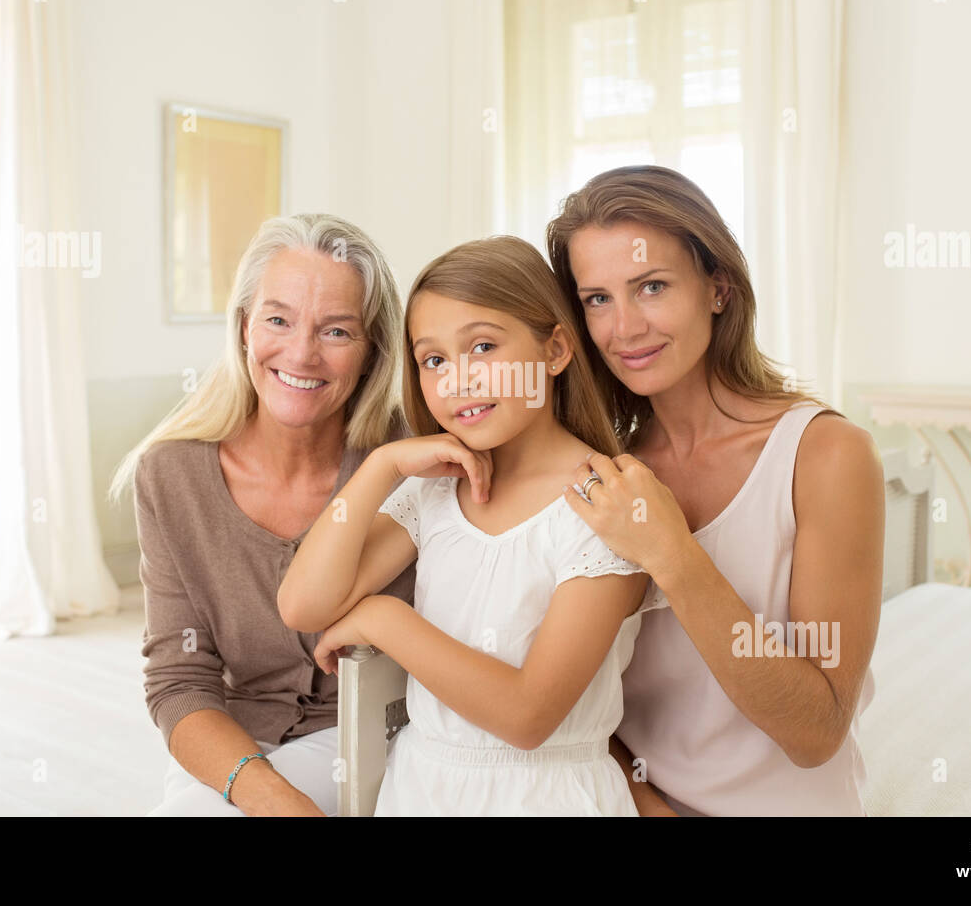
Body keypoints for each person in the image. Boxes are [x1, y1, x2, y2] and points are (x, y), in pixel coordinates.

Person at [279, 235, 667, 815]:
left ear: (556, 349)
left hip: (548, 798)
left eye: (482, 346)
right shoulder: (435, 491)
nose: (457, 381)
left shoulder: (604, 506)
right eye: (433, 360)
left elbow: (527, 716)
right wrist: (384, 466)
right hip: (420, 791)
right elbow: (303, 606)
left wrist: (384, 618)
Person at [546, 165, 885, 816]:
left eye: (651, 286)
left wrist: (672, 555)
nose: (626, 328)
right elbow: (583, 707)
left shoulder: (826, 456)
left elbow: (816, 732)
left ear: (718, 288)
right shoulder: (602, 474)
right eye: (597, 299)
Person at [107, 213, 416, 816]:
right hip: (232, 740)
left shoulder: (409, 462)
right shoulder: (169, 475)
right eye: (278, 319)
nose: (301, 353)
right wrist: (271, 796)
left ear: (371, 349)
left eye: (336, 331)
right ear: (244, 327)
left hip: (381, 737)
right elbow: (179, 681)